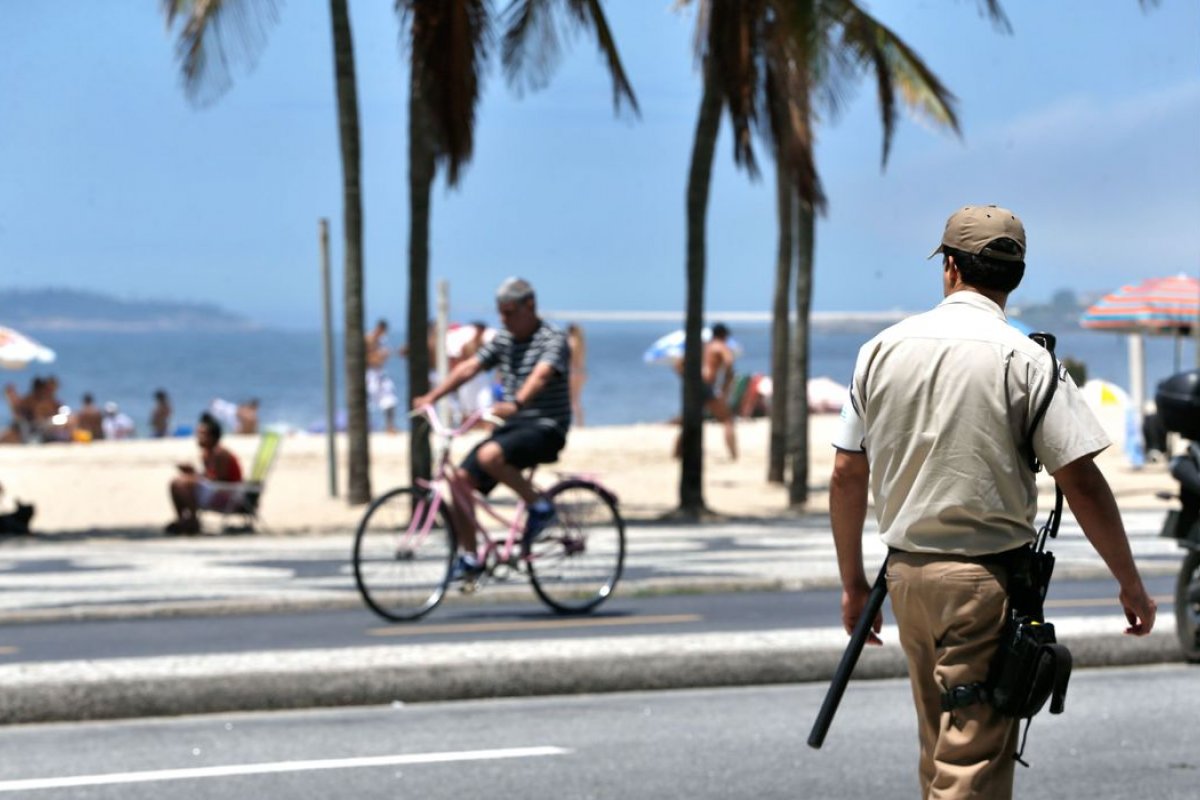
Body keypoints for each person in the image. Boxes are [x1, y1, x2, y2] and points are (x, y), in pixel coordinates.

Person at [829, 204, 1157, 799]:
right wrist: (1129, 582)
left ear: (950, 267)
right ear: (1016, 275)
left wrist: (853, 584)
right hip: (983, 584)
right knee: (970, 767)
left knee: (940, 754)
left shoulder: (880, 350)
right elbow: (1081, 481)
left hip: (905, 575)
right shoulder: (1028, 361)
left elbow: (846, 474)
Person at [412, 277, 570, 580]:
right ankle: (470, 557)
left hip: (546, 427)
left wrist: (517, 403)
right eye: (500, 312)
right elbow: (470, 366)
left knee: (489, 456)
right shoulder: (504, 338)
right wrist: (431, 397)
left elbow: (542, 374)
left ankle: (540, 507)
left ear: (530, 306)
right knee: (458, 481)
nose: (503, 319)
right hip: (513, 426)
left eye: (510, 312)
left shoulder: (552, 338)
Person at [167, 412, 244, 535]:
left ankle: (192, 520)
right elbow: (210, 477)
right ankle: (183, 520)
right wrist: (193, 473)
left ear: (213, 437)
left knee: (180, 484)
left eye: (203, 435)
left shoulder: (220, 454)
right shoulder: (207, 454)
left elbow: (219, 480)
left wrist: (194, 477)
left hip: (228, 495)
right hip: (216, 491)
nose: (198, 437)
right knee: (176, 483)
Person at [673, 322, 738, 460]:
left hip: (695, 384)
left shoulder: (703, 346)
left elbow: (678, 364)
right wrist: (726, 385)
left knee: (689, 420)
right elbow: (729, 363)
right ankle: (733, 455)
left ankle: (677, 453)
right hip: (707, 385)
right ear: (723, 335)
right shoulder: (720, 346)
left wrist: (687, 378)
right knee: (727, 420)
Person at [366, 319, 399, 433]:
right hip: (371, 374)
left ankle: (390, 426)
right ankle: (367, 426)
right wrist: (379, 356)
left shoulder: (381, 341)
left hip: (380, 373)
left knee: (390, 400)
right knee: (368, 402)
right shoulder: (369, 339)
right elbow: (368, 358)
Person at [566, 323, 587, 426]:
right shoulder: (581, 343)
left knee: (572, 400)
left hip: (573, 372)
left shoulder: (571, 343)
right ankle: (580, 423)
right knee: (577, 399)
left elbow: (569, 359)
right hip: (581, 371)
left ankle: (575, 424)